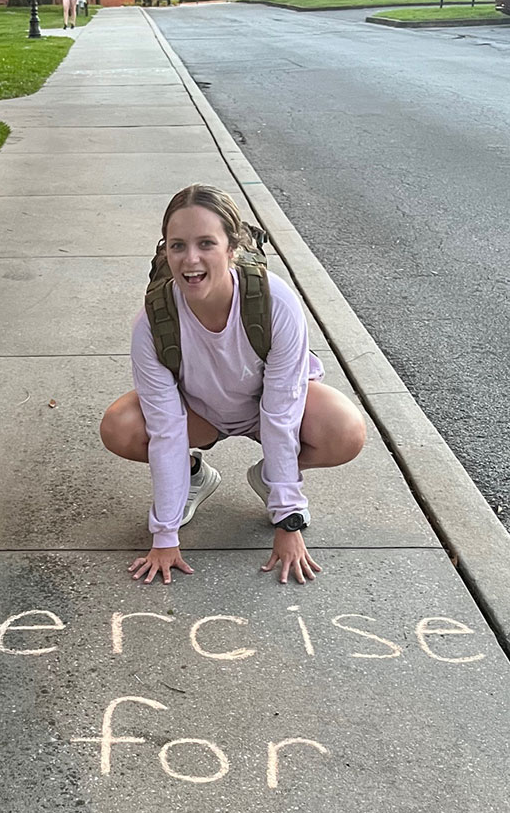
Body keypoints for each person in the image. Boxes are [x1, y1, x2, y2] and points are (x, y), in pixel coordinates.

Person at [100, 184, 366, 586]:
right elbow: (167, 429)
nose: (191, 260)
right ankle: (193, 476)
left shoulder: (276, 304)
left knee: (345, 430)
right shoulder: (151, 326)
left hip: (264, 411)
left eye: (206, 243)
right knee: (119, 427)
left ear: (232, 247)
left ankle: (271, 478)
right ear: (164, 250)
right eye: (177, 246)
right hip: (201, 414)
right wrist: (165, 535)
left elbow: (281, 414)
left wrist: (286, 518)